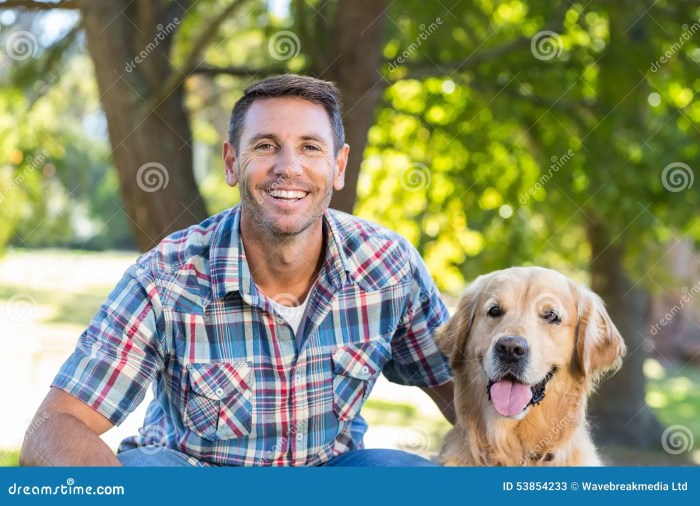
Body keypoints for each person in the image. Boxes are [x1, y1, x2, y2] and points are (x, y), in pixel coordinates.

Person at [20, 74, 455, 467]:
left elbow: (467, 395)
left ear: (338, 167)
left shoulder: (388, 266)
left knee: (402, 474)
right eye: (265, 146)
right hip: (193, 480)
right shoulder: (165, 278)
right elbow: (54, 428)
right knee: (146, 471)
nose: (288, 167)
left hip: (329, 478)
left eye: (310, 147)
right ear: (231, 162)